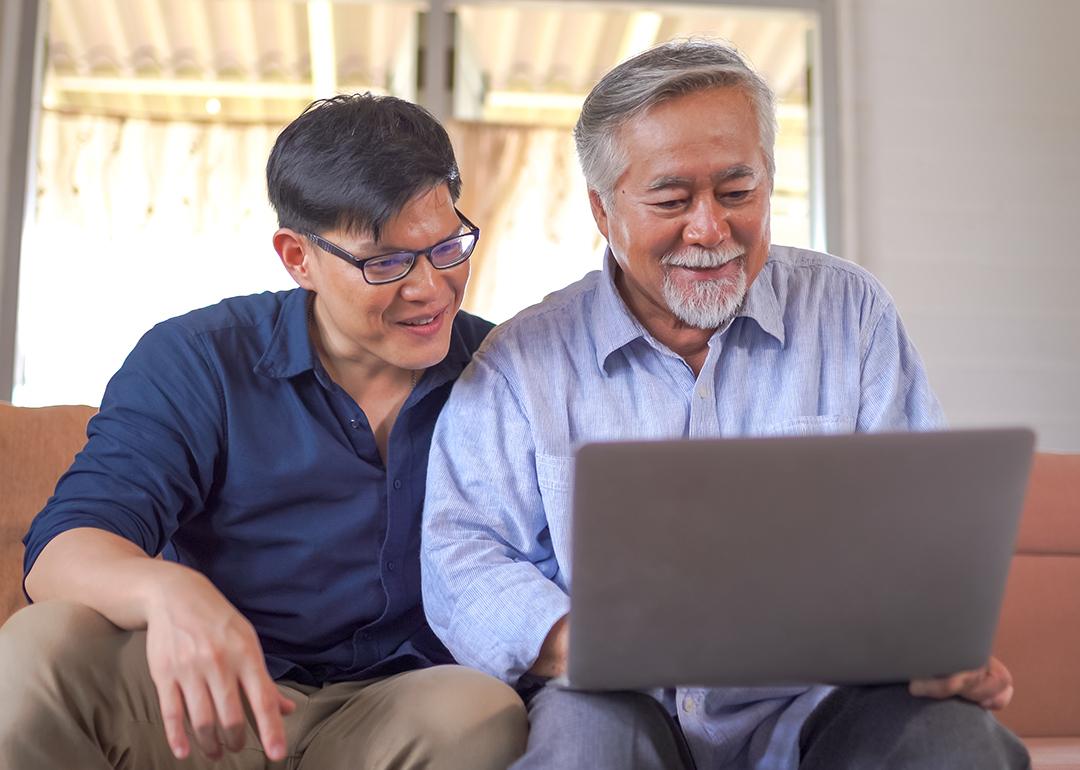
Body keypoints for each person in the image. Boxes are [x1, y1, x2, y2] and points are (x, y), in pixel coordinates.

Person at [421, 40, 1030, 770]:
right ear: (601, 210)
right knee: (582, 750)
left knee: (957, 745)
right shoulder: (524, 360)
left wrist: (939, 643)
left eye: (737, 193)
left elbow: (926, 528)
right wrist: (574, 642)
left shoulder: (851, 312)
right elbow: (461, 551)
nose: (710, 229)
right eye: (672, 200)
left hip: (819, 697)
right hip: (617, 697)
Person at [0, 94, 527, 769]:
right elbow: (60, 551)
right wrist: (167, 592)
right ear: (297, 257)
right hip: (210, 704)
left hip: (401, 715)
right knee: (40, 647)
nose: (433, 288)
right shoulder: (199, 358)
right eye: (388, 263)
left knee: (479, 711)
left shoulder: (507, 372)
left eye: (447, 246)